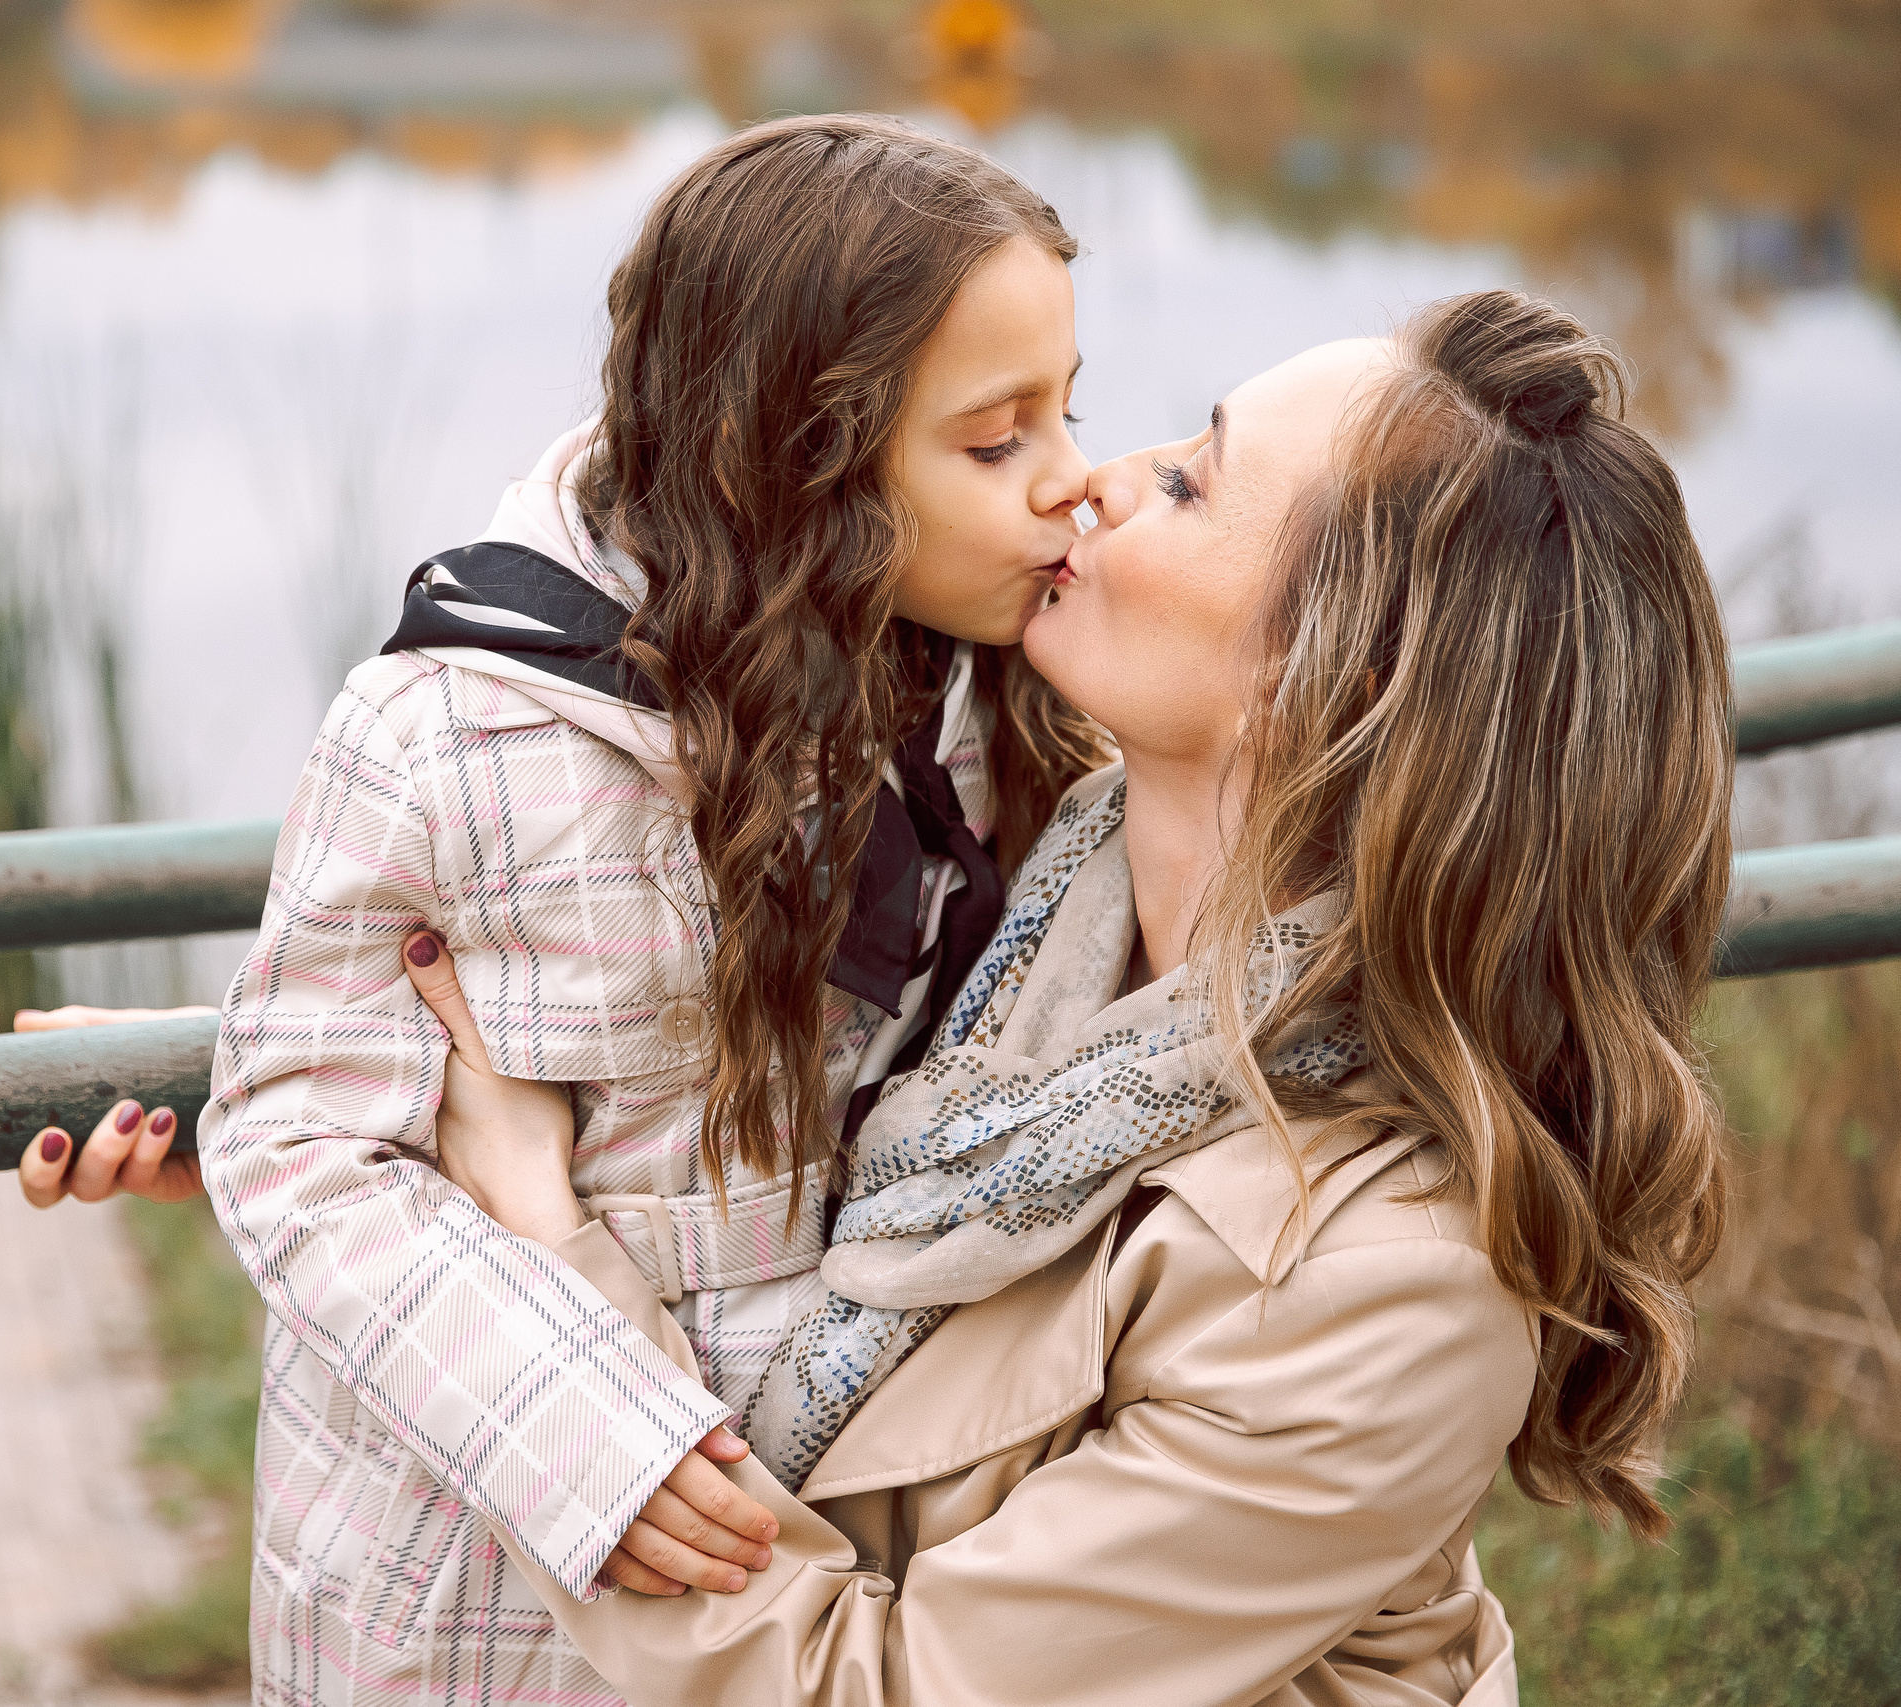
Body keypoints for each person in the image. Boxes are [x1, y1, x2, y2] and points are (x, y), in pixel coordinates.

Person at [391, 290, 1736, 1706]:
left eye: (1191, 481)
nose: (1095, 479)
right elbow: (668, 1091)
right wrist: (301, 1111)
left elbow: (884, 1689)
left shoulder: (1383, 1291)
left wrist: (532, 1251)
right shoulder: (1018, 908)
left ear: (1326, 677)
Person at [8, 114, 1116, 1702]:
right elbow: (306, 1144)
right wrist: (591, 1440)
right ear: (798, 460)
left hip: (818, 1552)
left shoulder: (977, 690)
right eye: (998, 442)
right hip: (491, 1577)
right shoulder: (459, 735)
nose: (1071, 484)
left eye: (1068, 413)